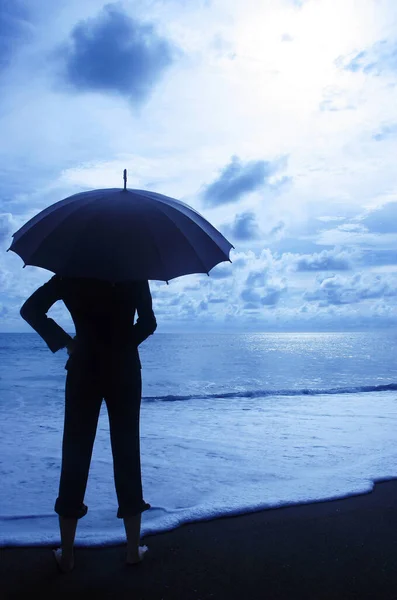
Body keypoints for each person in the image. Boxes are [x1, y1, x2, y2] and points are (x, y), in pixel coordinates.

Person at [20, 275, 157, 572]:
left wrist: (68, 343)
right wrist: (119, 344)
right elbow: (148, 323)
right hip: (124, 370)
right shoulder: (132, 270)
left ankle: (67, 556)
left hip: (83, 367)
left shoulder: (72, 271)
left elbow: (30, 309)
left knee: (75, 453)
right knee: (127, 453)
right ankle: (133, 550)